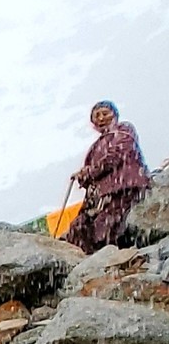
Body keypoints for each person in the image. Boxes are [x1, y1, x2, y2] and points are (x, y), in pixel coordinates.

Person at [64, 100, 150, 254]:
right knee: (78, 227)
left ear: (115, 115)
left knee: (105, 227)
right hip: (101, 195)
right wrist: (83, 176)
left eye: (105, 113)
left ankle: (112, 258)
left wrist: (89, 171)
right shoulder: (95, 147)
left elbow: (116, 155)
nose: (101, 118)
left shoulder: (124, 130)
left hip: (124, 187)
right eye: (97, 116)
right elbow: (91, 178)